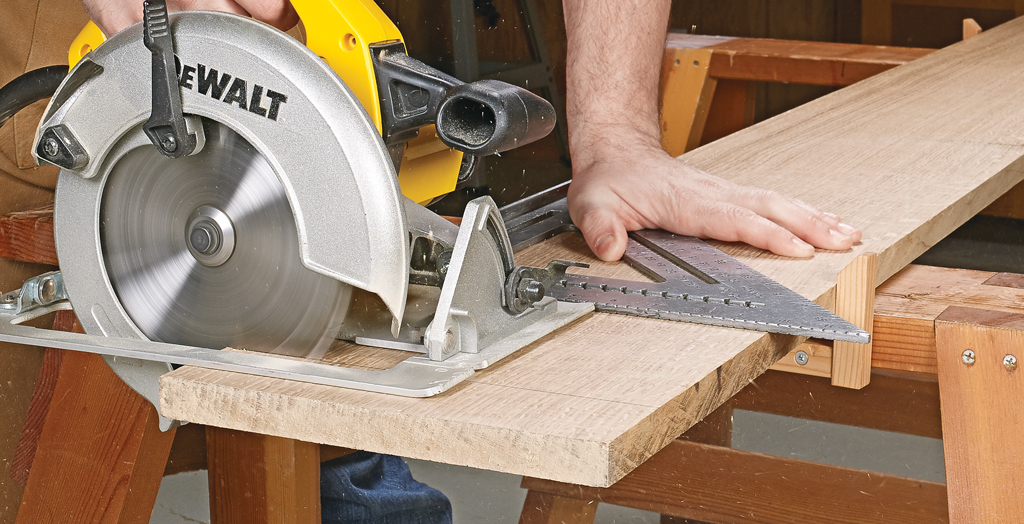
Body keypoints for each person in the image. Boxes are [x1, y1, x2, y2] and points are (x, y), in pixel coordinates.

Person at [1, 1, 862, 522]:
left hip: (278, 96)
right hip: (99, 92)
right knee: (46, 457)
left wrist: (617, 135)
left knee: (325, 380)